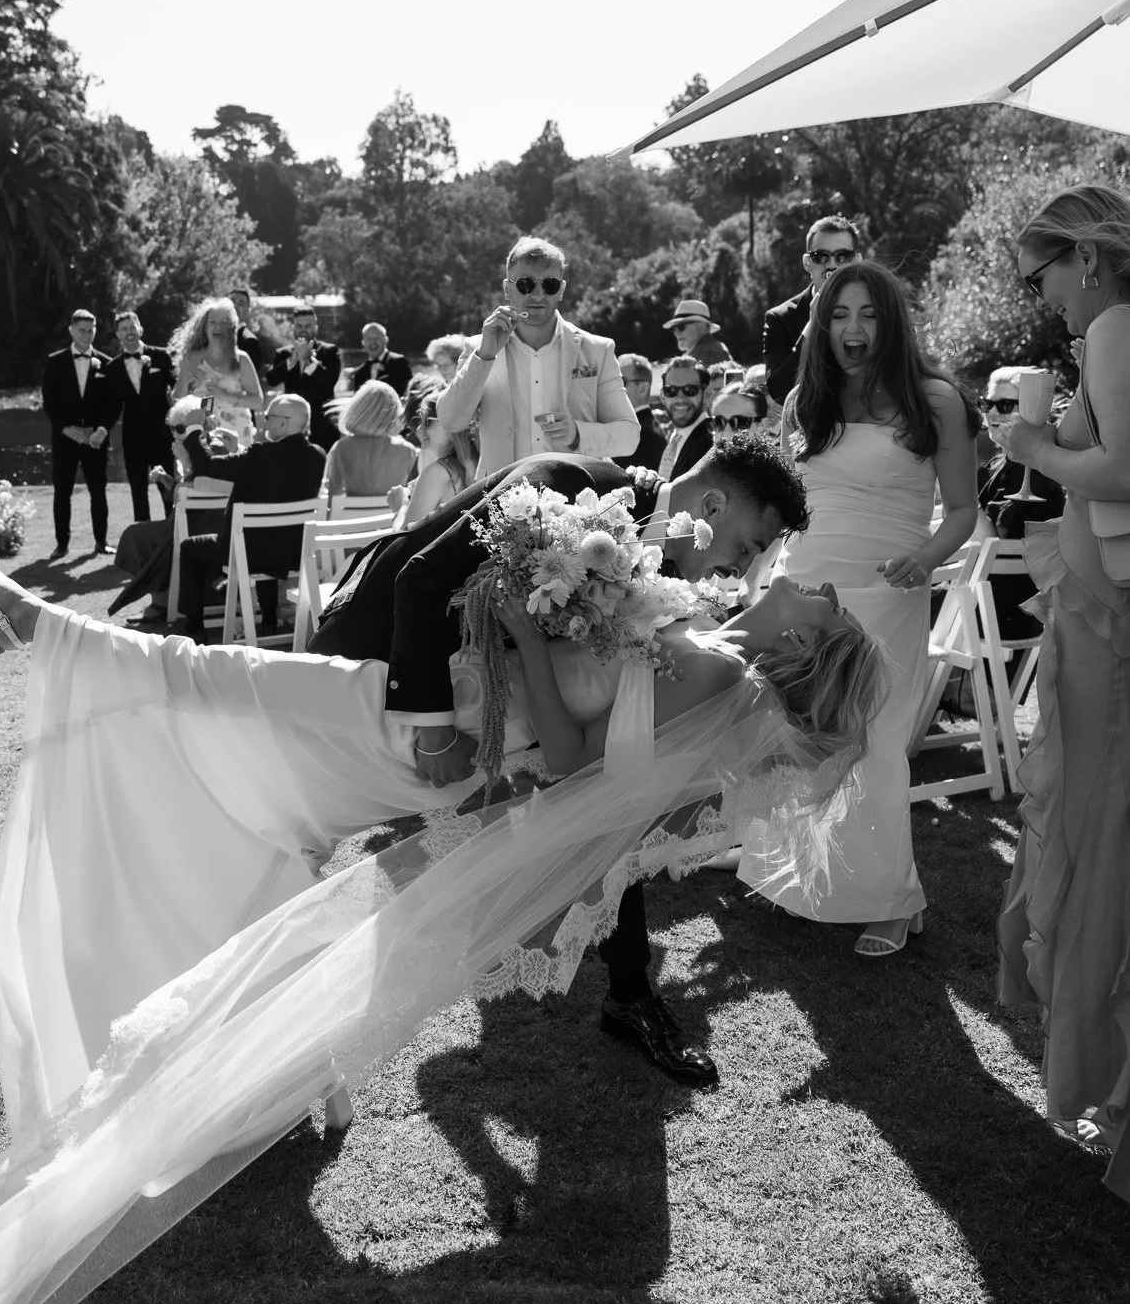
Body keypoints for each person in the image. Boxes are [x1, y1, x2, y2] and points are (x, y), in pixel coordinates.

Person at [0, 537, 882, 1304]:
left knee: (253, 796)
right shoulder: (723, 674)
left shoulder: (715, 676)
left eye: (826, 603)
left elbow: (585, 761)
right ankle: (58, 655)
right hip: (466, 796)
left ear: (803, 645)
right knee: (267, 879)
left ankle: (114, 1136)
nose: (817, 581)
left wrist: (529, 623)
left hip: (449, 772)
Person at [310, 439, 810, 1084]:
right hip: (374, 662)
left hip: (499, 702)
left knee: (609, 805)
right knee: (327, 828)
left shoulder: (651, 551)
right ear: (710, 503)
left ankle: (630, 993)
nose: (742, 569)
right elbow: (421, 580)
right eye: (746, 546)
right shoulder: (557, 488)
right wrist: (432, 728)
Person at [738, 259, 979, 955]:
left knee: (871, 738)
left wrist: (926, 560)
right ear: (820, 324)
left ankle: (891, 901)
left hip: (888, 587)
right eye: (838, 314)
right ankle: (795, 875)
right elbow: (790, 505)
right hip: (805, 583)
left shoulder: (934, 400)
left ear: (891, 322)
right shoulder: (802, 403)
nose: (852, 328)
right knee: (795, 732)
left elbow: (962, 510)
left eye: (867, 314)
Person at [992, 185, 1130, 1197]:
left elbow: (1122, 467)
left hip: (1108, 636)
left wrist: (1029, 446)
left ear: (1087, 259)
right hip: (1098, 622)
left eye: (1045, 278)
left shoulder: (1118, 324)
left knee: (1098, 827)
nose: (1049, 302)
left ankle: (1103, 1053)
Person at [438, 237, 638, 477]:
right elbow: (451, 421)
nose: (537, 294)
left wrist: (577, 434)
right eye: (525, 284)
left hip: (579, 499)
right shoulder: (479, 348)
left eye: (549, 285)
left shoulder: (597, 349)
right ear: (507, 288)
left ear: (561, 290)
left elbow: (629, 436)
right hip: (502, 498)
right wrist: (485, 355)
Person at [171, 392, 329, 639]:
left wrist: (193, 429)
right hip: (291, 552)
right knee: (263, 537)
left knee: (190, 547)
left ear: (283, 423)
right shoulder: (318, 455)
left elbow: (207, 466)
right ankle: (268, 621)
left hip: (246, 552)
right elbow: (273, 471)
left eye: (267, 417)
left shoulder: (260, 456)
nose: (263, 421)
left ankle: (194, 627)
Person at [975, 367, 1065, 643]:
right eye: (987, 403)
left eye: (1004, 405)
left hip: (1002, 612)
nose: (991, 413)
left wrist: (960, 497)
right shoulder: (995, 467)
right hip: (991, 606)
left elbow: (990, 545)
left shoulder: (1034, 475)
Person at [41, 309, 118, 560]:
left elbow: (112, 404)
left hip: (96, 440)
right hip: (65, 439)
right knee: (62, 491)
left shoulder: (106, 363)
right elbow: (49, 402)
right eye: (82, 330)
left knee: (99, 491)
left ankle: (101, 542)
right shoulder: (55, 362)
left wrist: (101, 430)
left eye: (91, 330)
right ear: (72, 330)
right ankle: (61, 544)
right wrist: (67, 429)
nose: (87, 335)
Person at [761, 216, 861, 405]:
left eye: (842, 256)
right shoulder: (780, 318)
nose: (832, 264)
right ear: (808, 263)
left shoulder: (882, 311)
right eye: (821, 256)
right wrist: (813, 326)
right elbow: (780, 392)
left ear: (856, 261)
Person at [103, 309, 175, 522]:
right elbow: (113, 406)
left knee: (168, 487)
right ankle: (143, 537)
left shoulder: (161, 356)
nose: (129, 332)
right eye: (124, 329)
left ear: (140, 329)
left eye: (132, 327)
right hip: (133, 437)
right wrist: (101, 428)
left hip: (162, 435)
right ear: (118, 334)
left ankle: (174, 532)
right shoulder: (113, 367)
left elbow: (178, 388)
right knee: (138, 490)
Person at [170, 297, 264, 447]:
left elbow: (258, 402)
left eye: (223, 323)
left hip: (237, 438)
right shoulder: (192, 358)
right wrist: (187, 380)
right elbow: (176, 400)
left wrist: (225, 395)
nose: (218, 327)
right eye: (212, 322)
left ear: (232, 327)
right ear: (204, 326)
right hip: (201, 436)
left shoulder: (242, 359)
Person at [322, 380, 417, 501]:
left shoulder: (342, 447)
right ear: (393, 412)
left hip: (351, 518)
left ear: (359, 409)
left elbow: (333, 496)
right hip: (391, 518)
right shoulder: (408, 450)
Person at [400, 388, 479, 524]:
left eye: (427, 421)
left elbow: (402, 539)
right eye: (420, 420)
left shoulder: (436, 473)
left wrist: (401, 506)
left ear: (452, 424)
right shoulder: (479, 463)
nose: (419, 429)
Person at [274, 304, 343, 452]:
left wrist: (309, 361)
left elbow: (330, 382)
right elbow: (272, 380)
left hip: (324, 427)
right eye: (299, 325)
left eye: (308, 325)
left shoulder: (330, 351)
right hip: (290, 427)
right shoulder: (283, 354)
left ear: (316, 328)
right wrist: (291, 361)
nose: (303, 330)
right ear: (293, 328)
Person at [657, 357, 714, 479]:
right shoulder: (674, 437)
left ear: (707, 394)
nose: (680, 397)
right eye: (671, 391)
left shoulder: (712, 443)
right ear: (662, 396)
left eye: (690, 390)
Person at [618, 353, 669, 469]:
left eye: (621, 382)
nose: (612, 387)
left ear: (643, 389)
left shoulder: (646, 435)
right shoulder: (644, 428)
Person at [662, 298, 733, 371]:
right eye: (674, 328)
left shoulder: (703, 354)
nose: (676, 333)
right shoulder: (716, 348)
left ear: (701, 327)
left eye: (681, 327)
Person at [351, 322, 411, 398]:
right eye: (369, 339)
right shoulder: (359, 373)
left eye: (377, 338)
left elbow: (408, 395)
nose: (373, 342)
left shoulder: (399, 362)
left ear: (386, 340)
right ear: (363, 343)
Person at [228, 287, 269, 381]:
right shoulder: (211, 333)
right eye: (232, 301)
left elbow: (248, 380)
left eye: (241, 303)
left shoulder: (250, 341)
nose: (235, 305)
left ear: (247, 312)